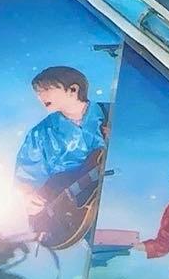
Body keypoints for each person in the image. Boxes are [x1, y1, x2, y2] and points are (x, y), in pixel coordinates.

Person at [14, 66, 108, 216]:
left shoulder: (113, 114)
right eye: (37, 91)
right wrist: (27, 196)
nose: (40, 95)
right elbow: (26, 176)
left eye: (46, 88)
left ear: (73, 90)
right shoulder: (40, 133)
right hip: (67, 216)